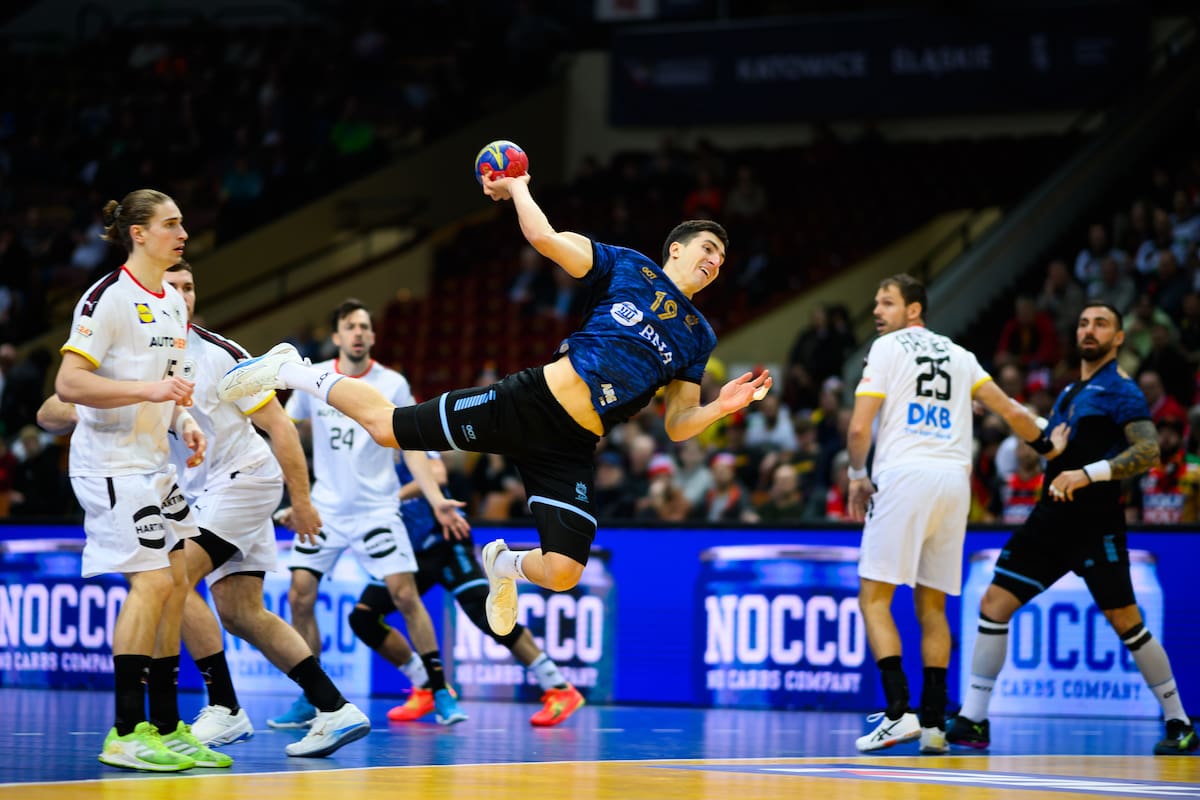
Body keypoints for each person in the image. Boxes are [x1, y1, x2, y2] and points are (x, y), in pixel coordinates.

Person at [217, 173, 769, 641]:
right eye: (707, 250)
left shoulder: (698, 336)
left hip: (572, 444)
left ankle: (502, 564)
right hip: (528, 401)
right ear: (677, 248)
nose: (715, 263)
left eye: (722, 260)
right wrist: (521, 187)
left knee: (564, 572)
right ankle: (291, 368)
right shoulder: (626, 267)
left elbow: (677, 425)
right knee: (387, 430)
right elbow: (546, 238)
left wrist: (725, 406)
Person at [37, 262, 374, 759]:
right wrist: (91, 404)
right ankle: (335, 708)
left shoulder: (221, 354)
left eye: (189, 286)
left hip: (245, 480)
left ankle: (222, 707)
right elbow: (51, 413)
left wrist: (301, 502)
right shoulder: (132, 357)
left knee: (172, 577)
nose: (181, 294)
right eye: (171, 286)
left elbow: (280, 428)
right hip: (199, 492)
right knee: (242, 614)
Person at [947, 302, 1198, 756]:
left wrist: (1087, 474)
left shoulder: (1122, 390)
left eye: (1101, 323)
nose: (1089, 329)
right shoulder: (1070, 391)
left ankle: (1179, 721)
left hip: (1095, 523)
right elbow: (1061, 444)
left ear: (1118, 338)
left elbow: (1148, 452)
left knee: (1128, 623)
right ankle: (973, 721)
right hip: (1049, 519)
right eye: (1083, 322)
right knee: (993, 603)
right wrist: (1038, 434)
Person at [846, 274, 1063, 755]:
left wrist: (857, 473)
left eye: (887, 302)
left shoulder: (886, 349)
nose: (877, 311)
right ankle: (934, 724)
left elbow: (860, 426)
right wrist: (1049, 443)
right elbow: (1009, 410)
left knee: (874, 599)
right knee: (932, 607)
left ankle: (898, 714)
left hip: (904, 476)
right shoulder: (961, 355)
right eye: (876, 302)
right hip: (952, 484)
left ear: (914, 311)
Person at [51, 189, 221, 771]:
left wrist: (184, 418)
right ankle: (125, 730)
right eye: (171, 225)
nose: (183, 234)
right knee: (150, 585)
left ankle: (168, 726)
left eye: (182, 225)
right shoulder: (105, 299)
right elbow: (70, 384)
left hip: (155, 465)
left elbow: (170, 382)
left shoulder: (172, 300)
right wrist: (147, 393)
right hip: (109, 467)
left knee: (176, 584)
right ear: (139, 234)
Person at [268, 299, 471, 729]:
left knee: (404, 595)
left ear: (373, 337)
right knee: (299, 594)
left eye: (365, 326)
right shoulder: (314, 378)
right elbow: (283, 433)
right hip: (326, 509)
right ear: (337, 337)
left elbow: (413, 446)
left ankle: (438, 691)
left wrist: (435, 499)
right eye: (350, 326)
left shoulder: (392, 383)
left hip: (377, 508)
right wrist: (293, 500)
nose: (358, 332)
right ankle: (313, 695)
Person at [348, 451, 585, 727]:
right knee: (363, 617)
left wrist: (389, 500)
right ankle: (425, 684)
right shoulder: (357, 454)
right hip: (405, 549)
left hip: (445, 540)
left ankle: (558, 687)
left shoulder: (396, 434)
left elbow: (437, 474)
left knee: (485, 613)